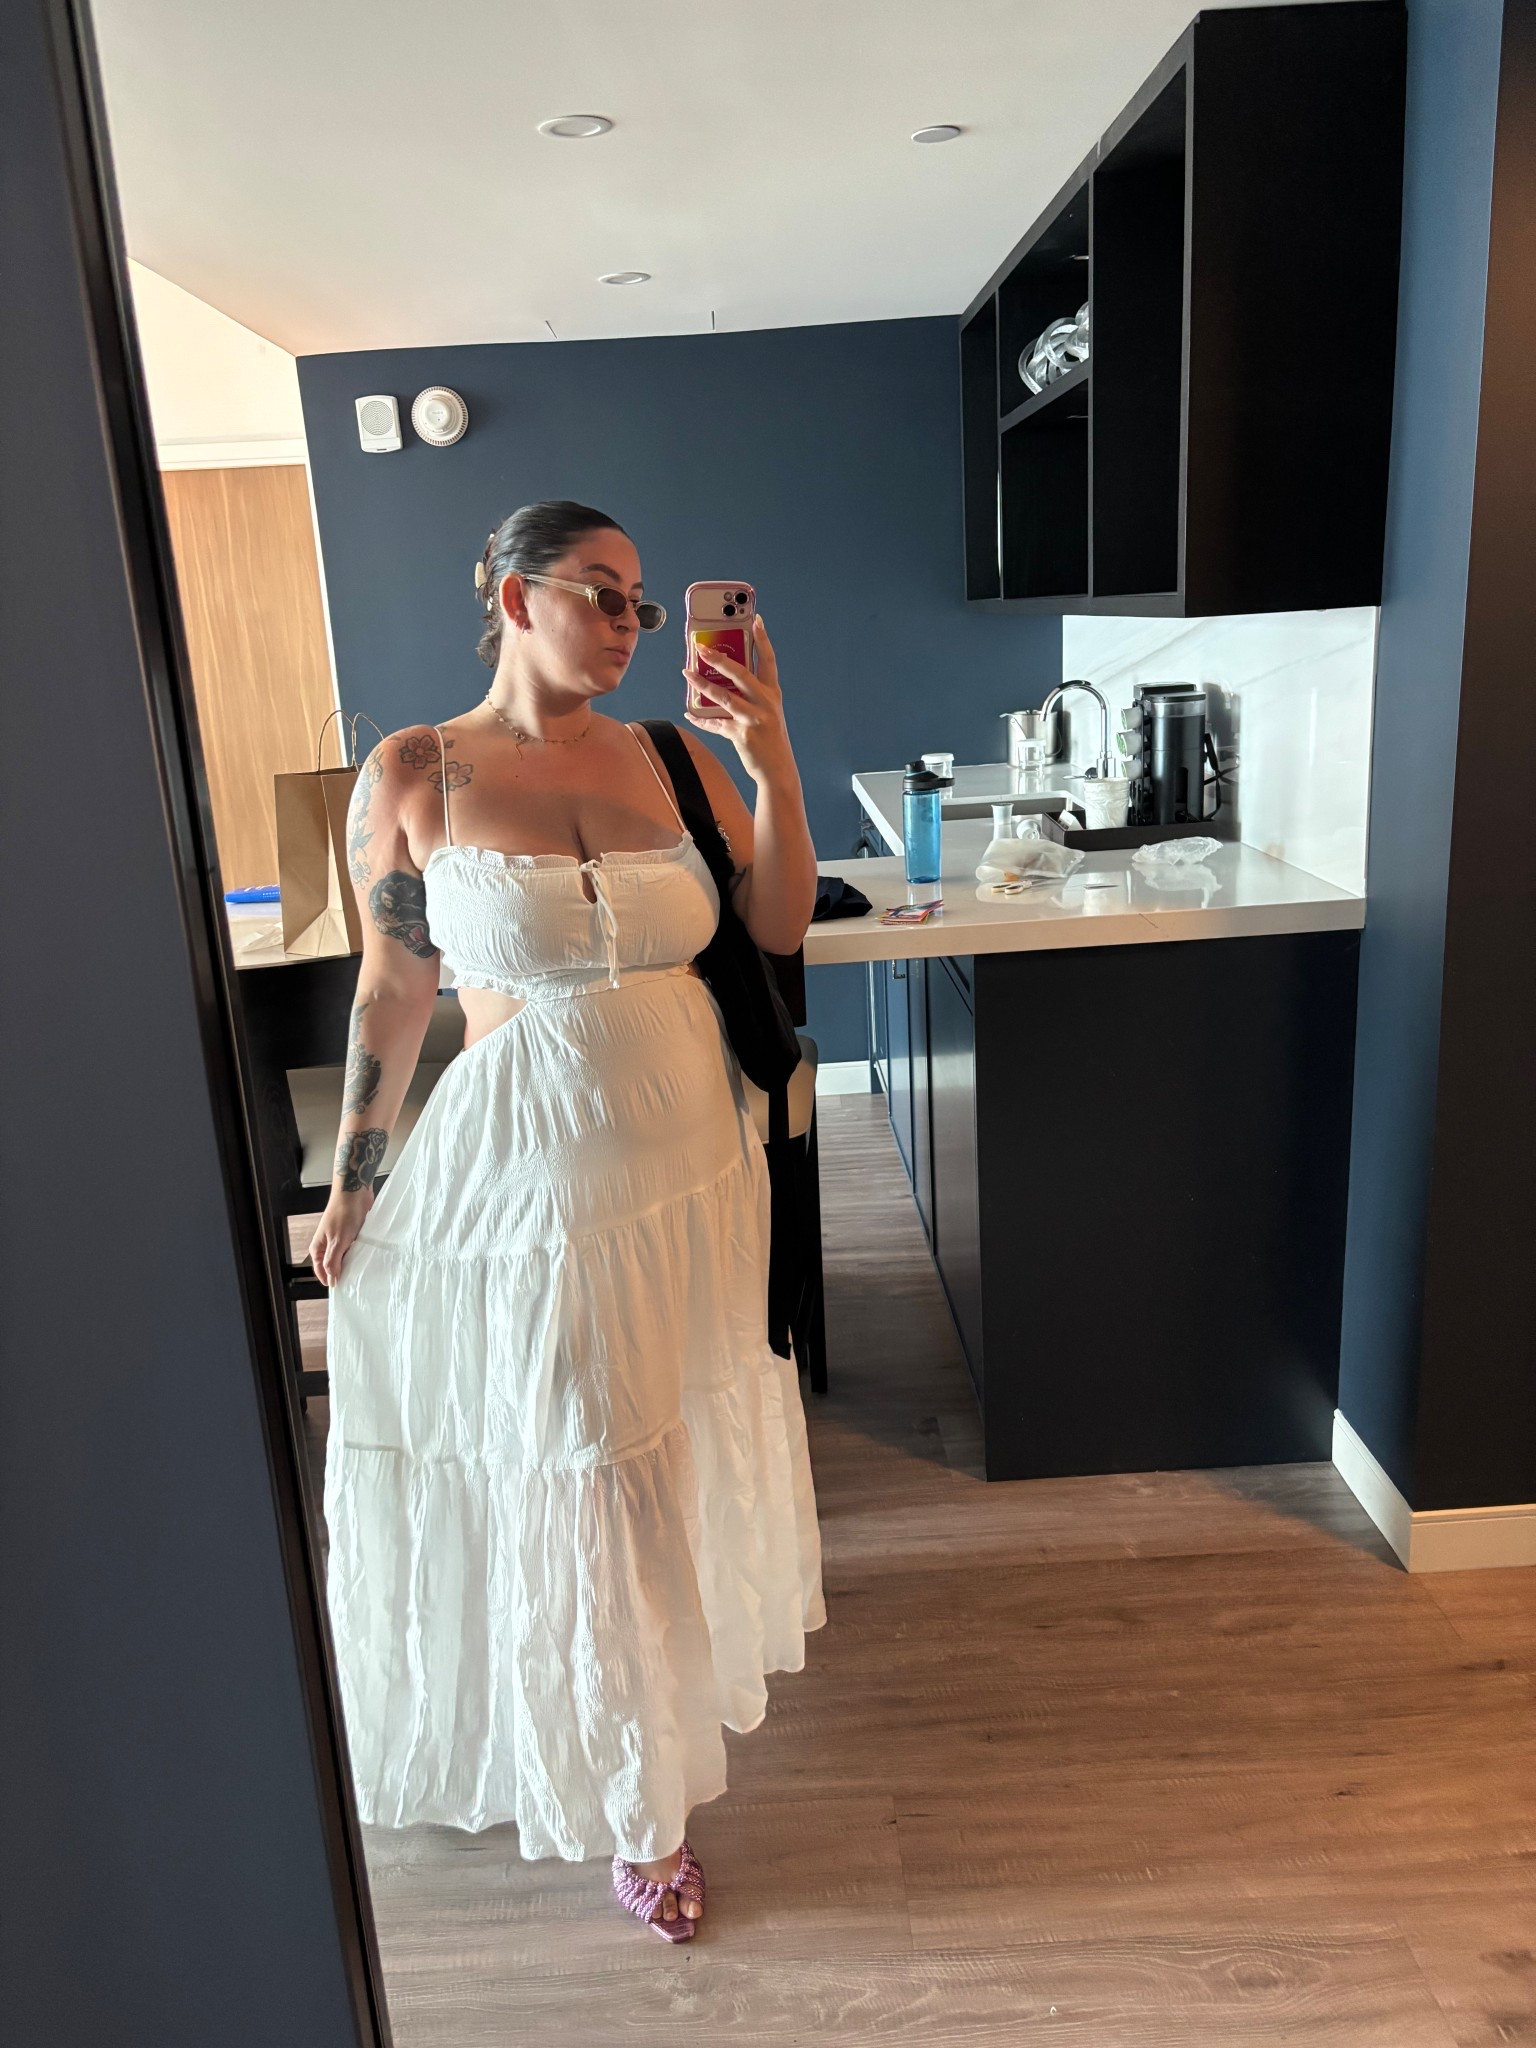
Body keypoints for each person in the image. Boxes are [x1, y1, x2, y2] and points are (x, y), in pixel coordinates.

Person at [307, 501, 826, 1942]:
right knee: (593, 1470)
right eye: (599, 592)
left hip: (696, 1172)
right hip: (535, 1189)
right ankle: (640, 1804)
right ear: (509, 595)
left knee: (667, 1439)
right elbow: (393, 988)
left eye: (641, 604)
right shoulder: (415, 770)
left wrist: (772, 759)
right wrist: (353, 1183)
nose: (629, 625)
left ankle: (660, 1723)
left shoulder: (670, 756)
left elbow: (777, 924)